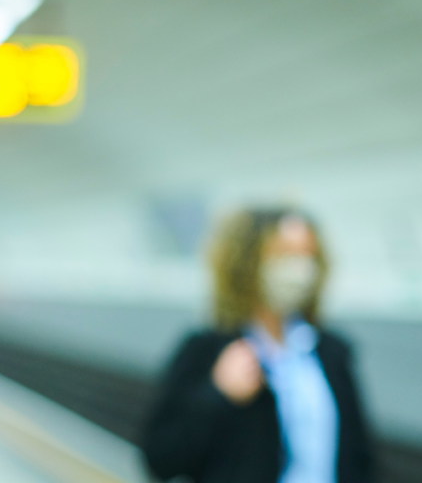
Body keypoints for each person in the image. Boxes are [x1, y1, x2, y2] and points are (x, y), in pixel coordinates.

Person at [143, 207, 373, 483]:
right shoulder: (207, 350)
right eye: (283, 255)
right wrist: (217, 394)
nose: (299, 269)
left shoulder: (331, 352)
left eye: (307, 256)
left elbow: (361, 457)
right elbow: (160, 459)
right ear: (248, 262)